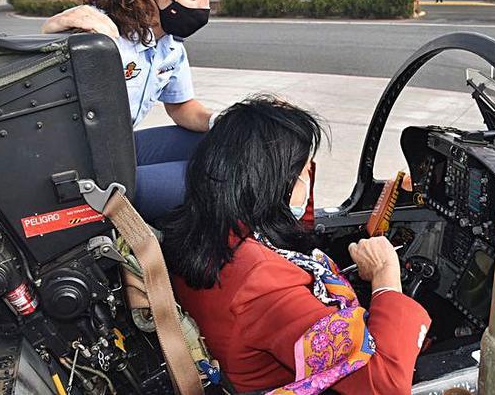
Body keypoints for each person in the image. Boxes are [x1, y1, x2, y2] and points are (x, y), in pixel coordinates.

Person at [161, 96, 431, 394]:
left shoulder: (202, 223)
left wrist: (277, 130)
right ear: (274, 186)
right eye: (303, 174)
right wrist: (385, 280)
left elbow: (293, 228)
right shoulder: (264, 282)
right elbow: (385, 385)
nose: (308, 180)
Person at [40, 0, 221, 221]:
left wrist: (222, 120)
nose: (205, 8)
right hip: (81, 170)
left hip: (119, 150)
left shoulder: (170, 45)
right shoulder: (98, 31)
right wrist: (49, 31)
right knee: (221, 179)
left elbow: (181, 107)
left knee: (229, 145)